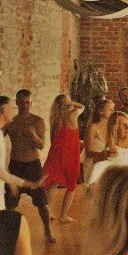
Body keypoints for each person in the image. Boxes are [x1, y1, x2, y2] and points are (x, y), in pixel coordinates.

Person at [5, 90, 55, 243]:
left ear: (31, 103)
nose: (25, 105)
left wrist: (33, 134)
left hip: (33, 164)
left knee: (42, 202)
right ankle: (9, 234)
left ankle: (48, 231)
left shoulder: (37, 121)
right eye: (22, 102)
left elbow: (41, 145)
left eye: (28, 102)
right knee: (10, 201)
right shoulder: (11, 122)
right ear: (17, 102)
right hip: (15, 164)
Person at [43, 94, 84, 223]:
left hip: (57, 153)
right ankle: (64, 215)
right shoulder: (72, 114)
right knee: (72, 184)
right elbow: (82, 107)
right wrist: (71, 103)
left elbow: (53, 139)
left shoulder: (55, 119)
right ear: (66, 103)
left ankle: (46, 213)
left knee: (54, 182)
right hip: (70, 153)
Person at [81, 98, 115, 185]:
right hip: (92, 165)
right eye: (110, 109)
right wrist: (101, 154)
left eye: (113, 109)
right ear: (100, 111)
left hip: (106, 165)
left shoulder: (112, 128)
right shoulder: (93, 127)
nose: (112, 112)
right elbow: (88, 153)